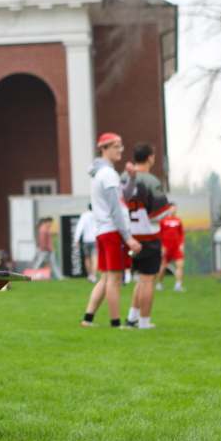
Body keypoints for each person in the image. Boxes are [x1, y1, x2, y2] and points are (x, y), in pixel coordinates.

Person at [81, 132, 141, 329]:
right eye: (116, 146)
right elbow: (116, 209)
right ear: (104, 149)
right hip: (112, 231)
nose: (120, 150)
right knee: (114, 279)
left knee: (106, 277)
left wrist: (131, 179)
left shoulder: (103, 173)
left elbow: (125, 196)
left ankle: (87, 319)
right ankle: (115, 323)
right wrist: (128, 237)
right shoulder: (108, 174)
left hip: (104, 231)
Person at [124, 144, 171, 330]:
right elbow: (160, 213)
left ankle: (131, 318)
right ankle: (144, 322)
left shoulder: (123, 178)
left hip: (127, 236)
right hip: (147, 237)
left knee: (140, 280)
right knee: (148, 279)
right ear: (150, 158)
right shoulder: (151, 181)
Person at [156, 203, 186, 291]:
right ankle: (159, 283)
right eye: (172, 208)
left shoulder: (178, 220)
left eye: (175, 208)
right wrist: (161, 246)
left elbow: (181, 234)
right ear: (168, 209)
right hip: (166, 247)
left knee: (180, 265)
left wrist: (181, 245)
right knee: (163, 266)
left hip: (176, 247)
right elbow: (159, 234)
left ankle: (178, 285)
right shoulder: (163, 221)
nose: (173, 210)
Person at [74, 204, 98, 282]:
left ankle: (89, 275)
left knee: (87, 258)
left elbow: (80, 227)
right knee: (94, 258)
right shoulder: (98, 215)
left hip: (86, 240)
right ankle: (94, 275)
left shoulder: (84, 215)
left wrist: (76, 239)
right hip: (95, 239)